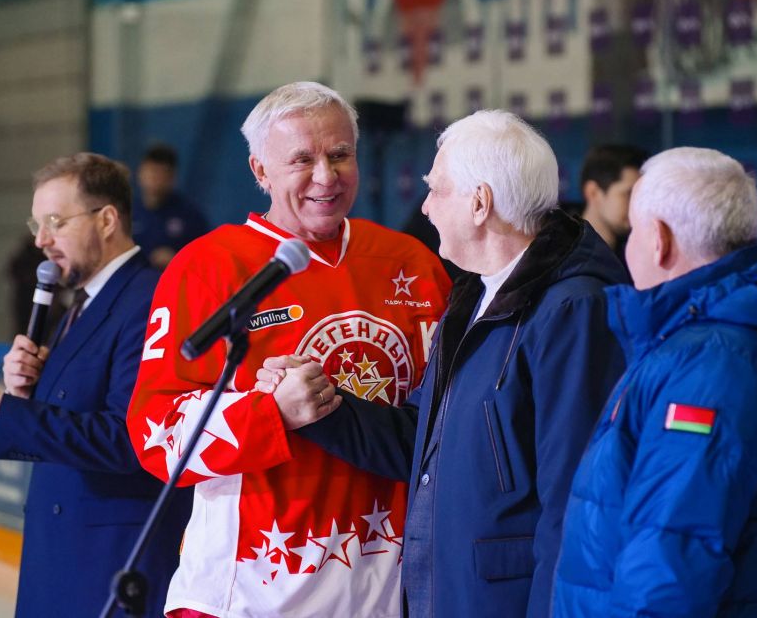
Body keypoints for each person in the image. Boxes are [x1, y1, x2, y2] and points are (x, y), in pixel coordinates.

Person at [256, 109, 628, 617]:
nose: (426, 208)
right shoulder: (474, 296)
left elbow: (575, 501)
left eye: (438, 189)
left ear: (480, 204)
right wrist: (320, 406)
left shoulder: (571, 309)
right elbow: (422, 440)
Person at [125, 82, 451, 618]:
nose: (326, 176)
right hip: (249, 593)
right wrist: (269, 412)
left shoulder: (409, 262)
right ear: (260, 172)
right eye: (302, 159)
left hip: (383, 590)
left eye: (340, 154)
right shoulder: (208, 267)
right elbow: (155, 436)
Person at [552, 147, 757, 617]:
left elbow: (669, 571)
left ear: (659, 241)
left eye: (635, 233)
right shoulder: (737, 339)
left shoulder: (714, 367)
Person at [0, 152, 192, 618]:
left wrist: (0, 412)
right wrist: (25, 391)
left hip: (112, 565)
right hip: (61, 559)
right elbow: (76, 415)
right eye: (36, 225)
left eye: (54, 222)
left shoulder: (151, 298)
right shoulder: (82, 303)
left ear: (108, 219)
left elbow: (131, 439)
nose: (42, 240)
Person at [133, 143, 210, 270]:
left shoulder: (190, 215)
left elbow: (205, 259)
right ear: (140, 173)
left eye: (162, 173)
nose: (155, 178)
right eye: (152, 171)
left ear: (173, 177)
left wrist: (177, 259)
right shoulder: (127, 214)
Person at [578, 144, 648, 260]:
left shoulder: (636, 256)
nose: (639, 205)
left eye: (642, 195)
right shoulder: (562, 259)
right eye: (629, 194)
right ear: (593, 192)